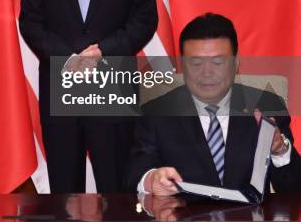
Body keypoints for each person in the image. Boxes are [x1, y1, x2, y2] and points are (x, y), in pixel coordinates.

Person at [19, 0, 158, 193]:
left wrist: (103, 51)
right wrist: (68, 58)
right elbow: (31, 22)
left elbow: (144, 19)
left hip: (112, 86)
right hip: (62, 84)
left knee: (117, 186)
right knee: (64, 191)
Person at [128, 13, 301, 195]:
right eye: (195, 63)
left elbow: (294, 190)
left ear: (236, 63)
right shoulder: (157, 112)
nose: (207, 73)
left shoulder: (266, 105)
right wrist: (151, 180)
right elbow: (133, 175)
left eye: (218, 62)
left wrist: (279, 150)